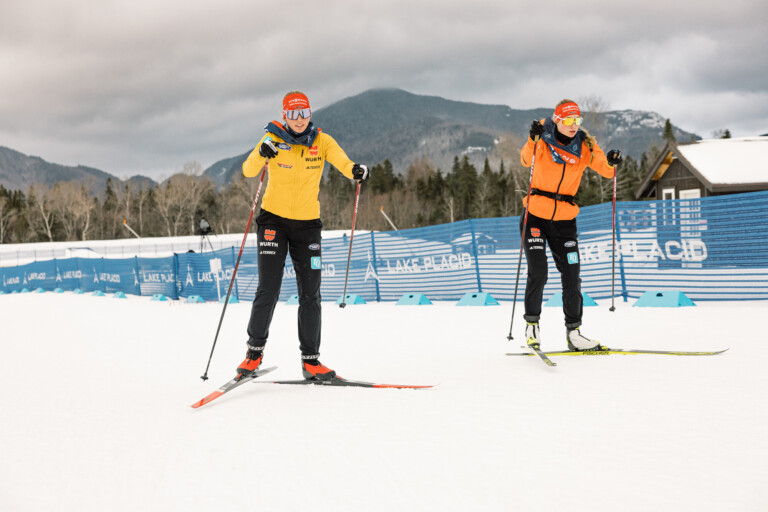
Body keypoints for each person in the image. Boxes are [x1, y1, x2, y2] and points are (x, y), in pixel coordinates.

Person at [236, 91, 369, 381]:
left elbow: (342, 162)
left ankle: (311, 361)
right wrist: (262, 153)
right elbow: (248, 170)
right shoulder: (272, 139)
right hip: (273, 222)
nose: (299, 120)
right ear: (285, 116)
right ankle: (253, 355)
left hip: (307, 225)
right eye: (293, 114)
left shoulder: (322, 141)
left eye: (304, 113)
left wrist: (355, 171)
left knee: (311, 293)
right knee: (268, 288)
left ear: (310, 113)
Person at [519, 99, 622, 351]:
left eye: (578, 121)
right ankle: (532, 326)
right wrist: (532, 139)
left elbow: (606, 170)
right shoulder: (542, 137)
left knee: (572, 275)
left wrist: (611, 162)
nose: (574, 126)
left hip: (564, 218)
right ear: (557, 120)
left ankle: (574, 333)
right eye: (568, 121)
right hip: (535, 213)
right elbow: (525, 159)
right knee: (539, 272)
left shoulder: (585, 144)